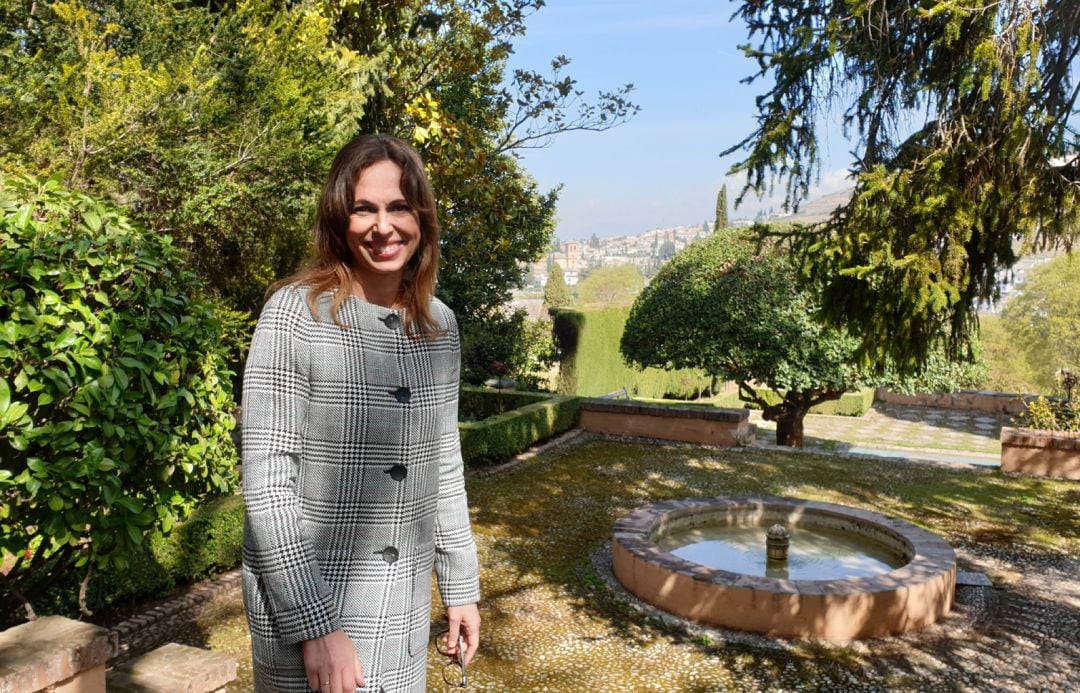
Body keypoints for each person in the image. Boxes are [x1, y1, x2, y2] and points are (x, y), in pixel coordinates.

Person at [241, 134, 481, 692]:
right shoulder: (294, 315)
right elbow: (269, 486)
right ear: (337, 219)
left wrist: (461, 586)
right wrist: (315, 627)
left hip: (401, 611)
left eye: (398, 206)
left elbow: (444, 464)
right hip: (307, 613)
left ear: (421, 217)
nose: (382, 226)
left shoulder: (439, 327)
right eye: (363, 209)